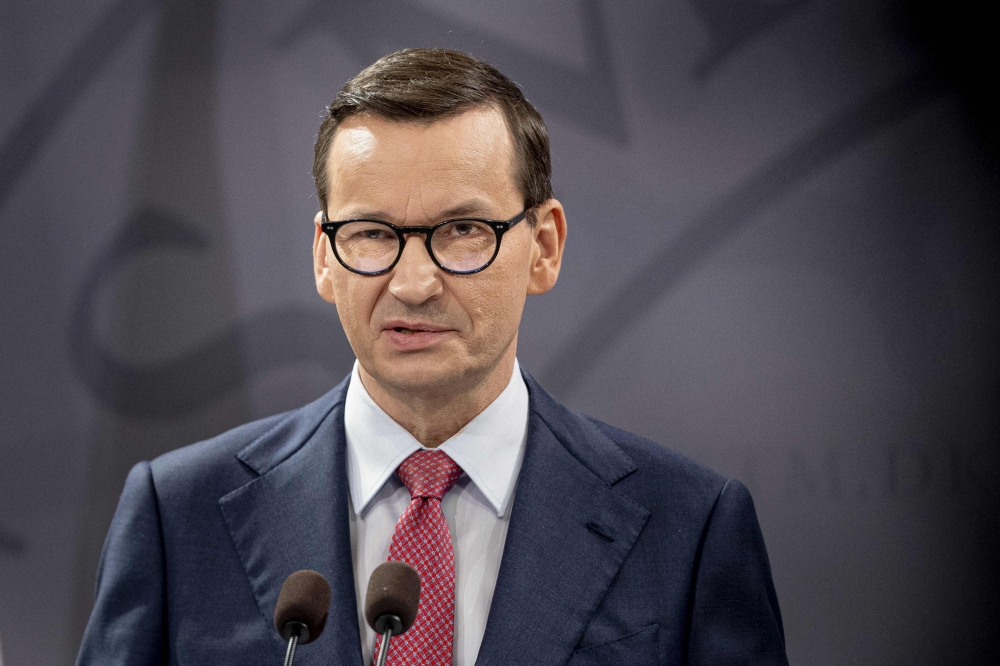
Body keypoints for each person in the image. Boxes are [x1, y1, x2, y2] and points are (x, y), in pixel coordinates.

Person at [77, 48, 787, 666]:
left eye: (463, 230)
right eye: (372, 234)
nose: (413, 284)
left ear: (543, 246)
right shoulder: (178, 516)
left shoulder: (689, 528)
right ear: (325, 257)